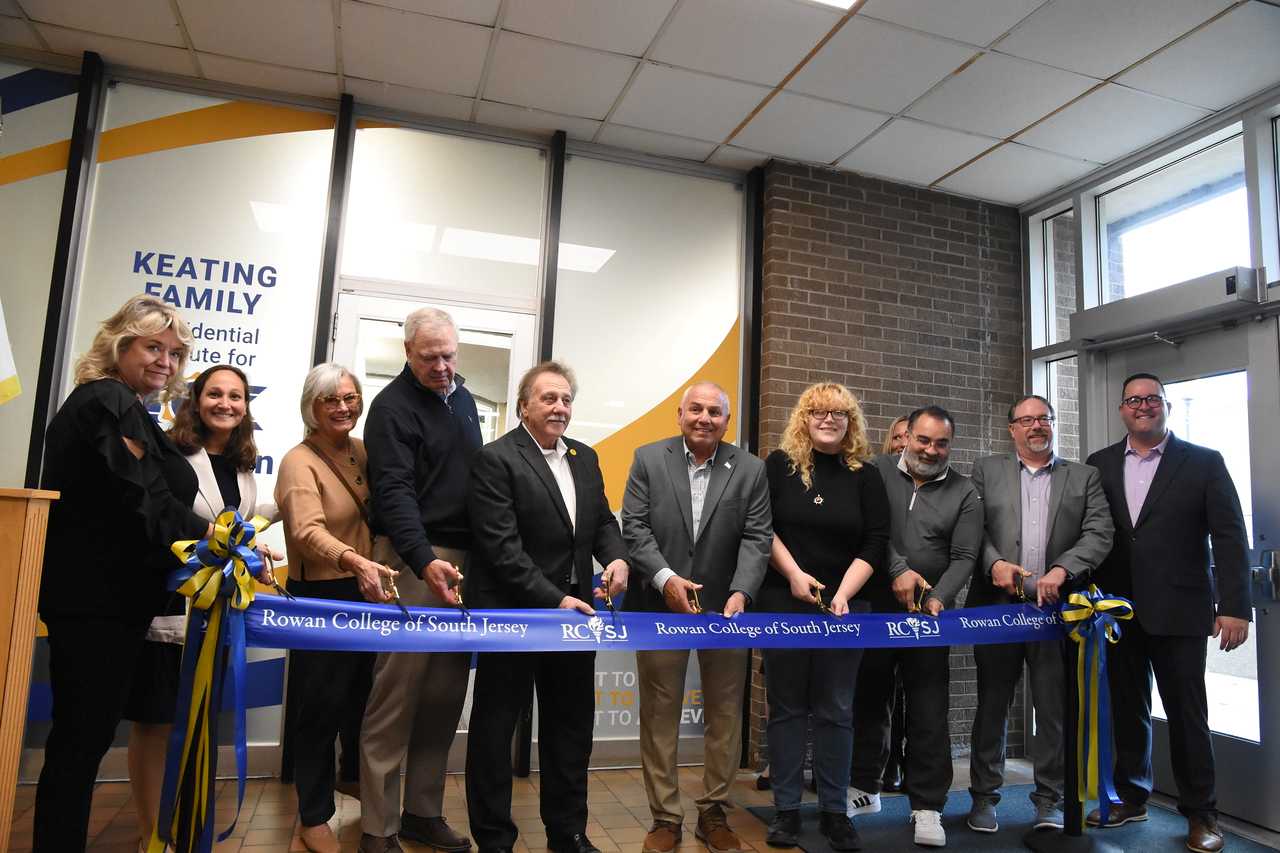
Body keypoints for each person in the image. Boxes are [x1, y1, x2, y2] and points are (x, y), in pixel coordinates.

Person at [33, 295, 215, 852]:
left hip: (110, 602)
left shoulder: (124, 405)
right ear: (120, 345)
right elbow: (143, 497)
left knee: (82, 741)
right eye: (153, 347)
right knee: (79, 744)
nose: (166, 361)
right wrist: (213, 537)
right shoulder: (107, 399)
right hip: (95, 602)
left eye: (176, 352)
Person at [464, 361, 628, 853]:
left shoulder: (584, 456)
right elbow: (501, 549)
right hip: (516, 616)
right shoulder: (496, 459)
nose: (560, 407)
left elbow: (601, 522)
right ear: (524, 406)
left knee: (570, 730)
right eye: (549, 398)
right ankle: (494, 840)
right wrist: (554, 598)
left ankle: (568, 833)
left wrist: (616, 558)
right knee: (495, 732)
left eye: (566, 400)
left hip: (574, 623)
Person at [1086, 373, 1250, 853]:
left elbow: (1230, 537)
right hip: (1118, 612)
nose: (1143, 406)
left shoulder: (1203, 462)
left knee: (1187, 716)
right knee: (1127, 711)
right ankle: (1132, 797)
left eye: (1152, 399)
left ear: (1166, 406)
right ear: (1122, 409)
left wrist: (1235, 607)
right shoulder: (1098, 465)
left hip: (1181, 611)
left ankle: (1202, 815)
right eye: (1133, 399)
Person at [117, 364, 279, 848]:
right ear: (195, 399)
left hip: (217, 614)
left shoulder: (245, 464)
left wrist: (257, 544)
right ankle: (152, 834)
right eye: (215, 394)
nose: (225, 403)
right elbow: (166, 521)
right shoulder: (170, 454)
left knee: (196, 720)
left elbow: (239, 526)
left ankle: (185, 825)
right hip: (169, 605)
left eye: (235, 396)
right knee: (157, 719)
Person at [621, 382, 772, 853]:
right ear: (679, 413)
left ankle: (713, 812)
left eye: (715, 412)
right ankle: (665, 818)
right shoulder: (648, 458)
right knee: (659, 714)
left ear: (727, 421)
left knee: (725, 714)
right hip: (659, 607)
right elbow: (635, 526)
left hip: (726, 613)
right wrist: (666, 579)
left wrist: (743, 592)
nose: (704, 417)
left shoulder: (749, 469)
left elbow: (757, 536)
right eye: (696, 409)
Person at [358, 307, 481, 853]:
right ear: (407, 352)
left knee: (443, 693)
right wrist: (423, 557)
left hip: (462, 561)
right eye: (429, 357)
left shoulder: (464, 398)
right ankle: (377, 826)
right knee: (396, 693)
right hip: (412, 559)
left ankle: (422, 812)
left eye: (449, 355)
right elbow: (394, 493)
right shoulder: (391, 409)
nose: (442, 366)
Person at [966, 394, 1113, 834]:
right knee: (992, 705)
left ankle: (1049, 801)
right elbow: (973, 528)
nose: (1035, 426)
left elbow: (1099, 531)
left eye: (1043, 419)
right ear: (1011, 428)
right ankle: (983, 798)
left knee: (1053, 708)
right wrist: (993, 565)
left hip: (1058, 612)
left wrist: (1062, 569)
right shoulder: (985, 470)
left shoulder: (1084, 476)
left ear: (1054, 424)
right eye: (1025, 420)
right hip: (998, 610)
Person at [758, 383, 889, 850]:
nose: (829, 419)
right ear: (804, 418)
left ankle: (836, 812)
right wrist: (793, 575)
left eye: (839, 413)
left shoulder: (865, 475)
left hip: (846, 608)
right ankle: (787, 811)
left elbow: (875, 540)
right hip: (783, 601)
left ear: (850, 420)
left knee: (836, 710)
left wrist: (843, 594)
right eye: (818, 411)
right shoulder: (779, 466)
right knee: (788, 710)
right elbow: (762, 527)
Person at [849, 405, 982, 848]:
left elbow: (965, 556)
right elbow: (871, 532)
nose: (930, 449)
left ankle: (927, 807)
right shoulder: (875, 470)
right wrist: (898, 571)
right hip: (875, 609)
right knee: (870, 700)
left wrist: (938, 598)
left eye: (941, 443)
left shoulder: (964, 490)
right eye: (922, 440)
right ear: (906, 437)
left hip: (930, 617)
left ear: (950, 445)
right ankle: (864, 788)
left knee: (929, 710)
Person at [276, 364, 397, 853]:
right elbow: (306, 533)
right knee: (318, 708)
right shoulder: (297, 461)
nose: (343, 407)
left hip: (366, 591)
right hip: (324, 596)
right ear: (311, 406)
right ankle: (312, 815)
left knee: (362, 699)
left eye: (350, 397)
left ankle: (351, 780)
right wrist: (354, 561)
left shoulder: (363, 451)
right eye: (331, 400)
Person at [876, 413, 910, 794]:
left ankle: (898, 763)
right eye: (897, 436)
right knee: (879, 690)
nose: (902, 443)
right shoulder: (877, 476)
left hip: (916, 597)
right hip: (879, 594)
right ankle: (879, 763)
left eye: (909, 436)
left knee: (906, 693)